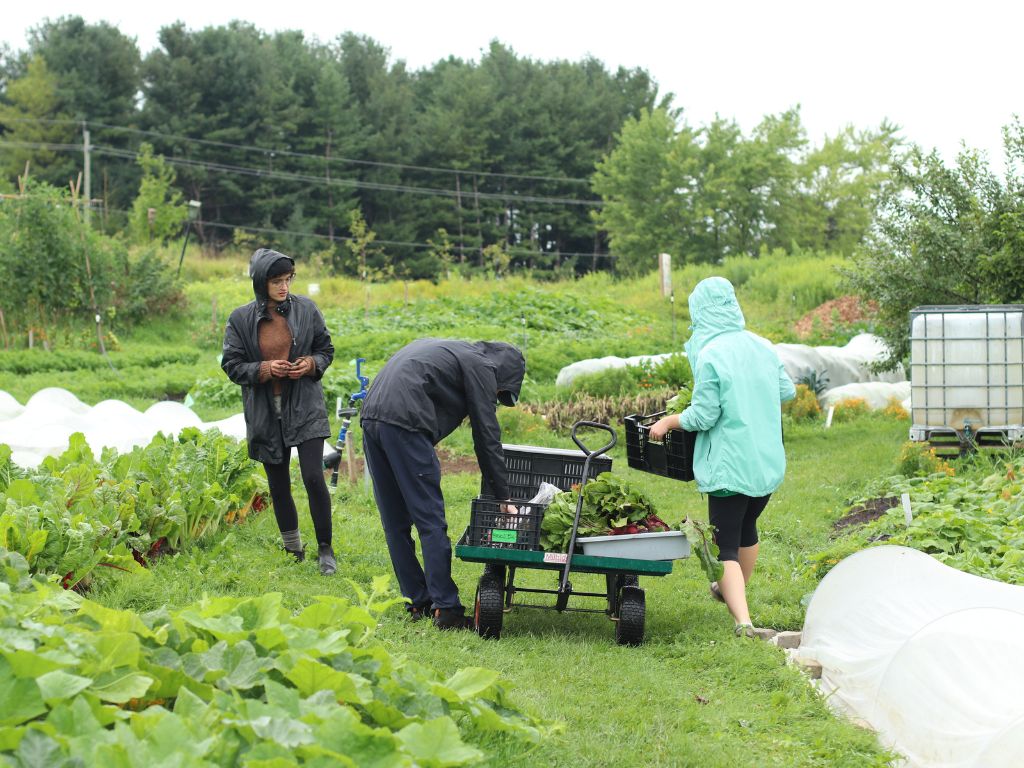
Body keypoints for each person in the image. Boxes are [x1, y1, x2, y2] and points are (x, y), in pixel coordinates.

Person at [649, 276, 795, 637]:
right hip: (765, 463)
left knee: (726, 543)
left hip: (730, 465)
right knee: (747, 529)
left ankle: (743, 623)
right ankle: (729, 591)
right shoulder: (762, 346)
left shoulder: (711, 354)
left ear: (700, 314)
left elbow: (703, 416)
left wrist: (668, 421)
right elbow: (786, 391)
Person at [360, 338, 526, 629]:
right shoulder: (483, 367)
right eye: (501, 393)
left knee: (395, 524)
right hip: (406, 425)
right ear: (502, 373)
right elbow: (486, 437)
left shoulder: (454, 351)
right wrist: (504, 497)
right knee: (430, 520)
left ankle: (418, 602)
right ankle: (447, 610)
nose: (497, 397)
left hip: (373, 418)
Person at [222, 248, 337, 575]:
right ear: (261, 282)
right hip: (265, 411)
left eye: (287, 280)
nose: (284, 287)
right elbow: (231, 366)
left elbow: (325, 350)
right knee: (279, 483)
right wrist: (265, 369)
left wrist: (311, 363)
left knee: (314, 477)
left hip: (305, 405)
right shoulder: (240, 319)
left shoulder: (306, 310)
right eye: (276, 281)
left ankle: (325, 550)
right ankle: (293, 548)